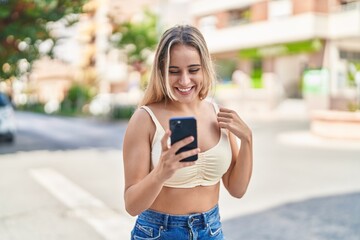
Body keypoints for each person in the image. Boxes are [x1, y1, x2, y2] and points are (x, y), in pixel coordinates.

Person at [123, 25, 253, 240]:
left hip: (210, 230)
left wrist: (247, 140)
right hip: (159, 233)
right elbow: (131, 205)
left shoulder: (217, 113)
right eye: (174, 71)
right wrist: (161, 173)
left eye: (193, 70)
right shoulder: (145, 119)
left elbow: (237, 190)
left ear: (205, 69)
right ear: (161, 71)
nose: (184, 81)